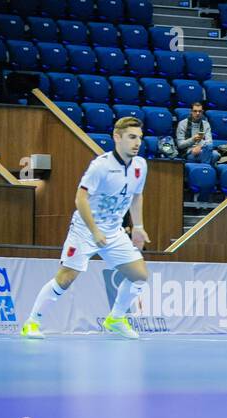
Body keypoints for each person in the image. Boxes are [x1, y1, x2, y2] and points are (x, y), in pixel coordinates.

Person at [22, 116, 151, 340]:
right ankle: (32, 322)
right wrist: (94, 231)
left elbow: (136, 196)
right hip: (85, 230)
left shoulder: (140, 166)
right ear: (117, 137)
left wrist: (138, 226)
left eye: (139, 137)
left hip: (113, 231)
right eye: (132, 137)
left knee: (139, 276)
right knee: (66, 278)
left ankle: (116, 318)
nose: (137, 142)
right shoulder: (101, 166)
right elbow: (80, 199)